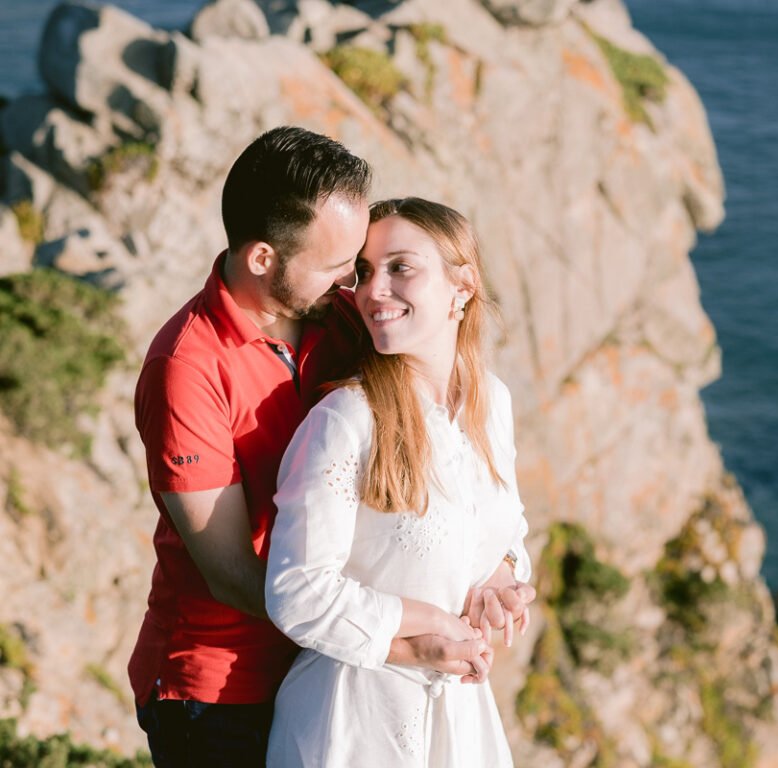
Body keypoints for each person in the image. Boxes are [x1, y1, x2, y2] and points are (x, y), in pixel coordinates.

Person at [128, 128, 510, 767]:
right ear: (262, 260)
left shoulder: (336, 318)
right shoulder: (186, 368)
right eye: (339, 266)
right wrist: (400, 642)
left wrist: (489, 562)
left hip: (325, 662)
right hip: (221, 686)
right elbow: (234, 576)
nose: (354, 285)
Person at [265, 197, 531, 767]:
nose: (372, 290)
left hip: (461, 724)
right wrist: (423, 629)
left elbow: (503, 524)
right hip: (352, 725)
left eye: (400, 268)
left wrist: (499, 579)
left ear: (463, 286)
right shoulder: (347, 419)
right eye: (364, 271)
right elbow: (296, 591)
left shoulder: (492, 402)